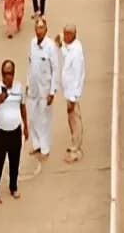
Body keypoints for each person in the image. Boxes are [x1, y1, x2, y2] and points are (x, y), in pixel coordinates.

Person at [0, 59, 28, 205]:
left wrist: (26, 126)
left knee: (14, 162)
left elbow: (22, 107)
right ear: (2, 74)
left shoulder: (19, 88)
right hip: (1, 133)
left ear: (14, 73)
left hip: (15, 132)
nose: (8, 76)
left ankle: (13, 187)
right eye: (5, 73)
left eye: (10, 73)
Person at [27, 17, 60, 161]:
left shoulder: (50, 46)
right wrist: (27, 83)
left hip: (45, 89)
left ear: (46, 29)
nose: (39, 30)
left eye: (41, 28)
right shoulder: (32, 43)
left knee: (45, 119)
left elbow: (56, 69)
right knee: (33, 117)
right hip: (33, 87)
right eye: (37, 27)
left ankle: (45, 148)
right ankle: (37, 144)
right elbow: (30, 64)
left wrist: (52, 91)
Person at [56, 25, 86, 163]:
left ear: (73, 35)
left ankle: (76, 148)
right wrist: (61, 45)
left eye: (67, 34)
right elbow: (65, 54)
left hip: (72, 93)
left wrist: (73, 98)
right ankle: (74, 142)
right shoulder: (70, 47)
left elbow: (78, 75)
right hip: (68, 91)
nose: (65, 37)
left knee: (75, 119)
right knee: (71, 118)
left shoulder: (76, 53)